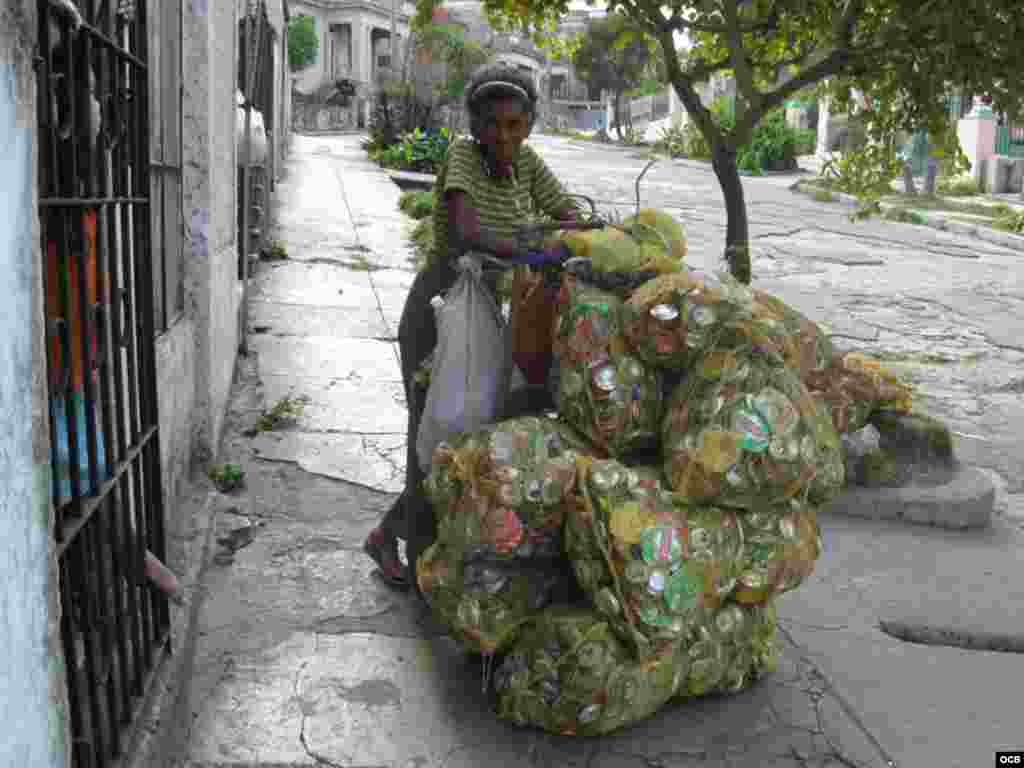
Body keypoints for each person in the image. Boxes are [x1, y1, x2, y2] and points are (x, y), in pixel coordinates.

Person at [363, 63, 581, 592]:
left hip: (484, 314)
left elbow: (565, 209)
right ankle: (413, 561)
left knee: (466, 437)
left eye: (514, 124)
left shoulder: (527, 163)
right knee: (433, 433)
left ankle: (393, 533)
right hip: (439, 313)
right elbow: (465, 233)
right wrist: (536, 248)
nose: (503, 136)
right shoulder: (463, 157)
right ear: (475, 123)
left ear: (529, 123)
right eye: (492, 124)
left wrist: (584, 231)